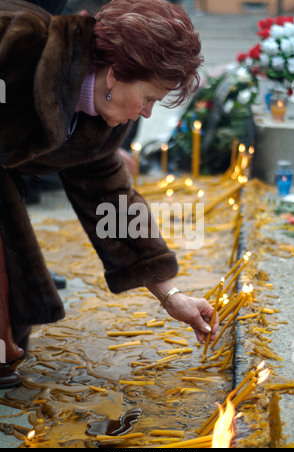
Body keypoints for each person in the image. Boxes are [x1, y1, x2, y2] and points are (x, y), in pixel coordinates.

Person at [0, 0, 218, 389]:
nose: (148, 114)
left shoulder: (100, 123)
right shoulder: (20, 41)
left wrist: (172, 296)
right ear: (115, 75)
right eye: (149, 97)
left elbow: (115, 209)